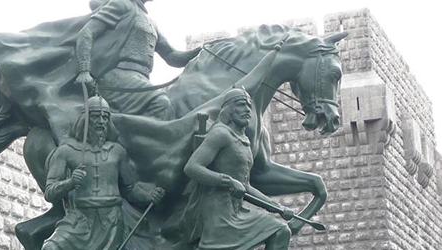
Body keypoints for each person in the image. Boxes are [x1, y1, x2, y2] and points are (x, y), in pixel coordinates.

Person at [42, 96, 165, 250]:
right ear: (84, 120)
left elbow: (130, 188)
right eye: (95, 116)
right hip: (79, 220)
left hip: (111, 221)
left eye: (105, 117)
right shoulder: (65, 152)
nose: (101, 121)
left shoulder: (117, 151)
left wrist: (148, 195)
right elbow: (50, 192)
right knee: (50, 248)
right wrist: (70, 183)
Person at [181, 88, 295, 250]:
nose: (247, 110)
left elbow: (245, 186)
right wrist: (228, 181)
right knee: (280, 230)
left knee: (281, 230)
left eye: (249, 106)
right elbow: (192, 167)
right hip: (219, 213)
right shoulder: (220, 134)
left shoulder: (243, 140)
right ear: (229, 109)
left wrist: (277, 207)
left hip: (238, 211)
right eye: (242, 105)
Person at [76, 0, 201, 120]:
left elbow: (172, 56)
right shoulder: (122, 4)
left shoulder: (151, 22)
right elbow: (87, 32)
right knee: (161, 103)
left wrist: (202, 50)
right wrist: (84, 70)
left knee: (175, 103)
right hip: (117, 76)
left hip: (140, 79)